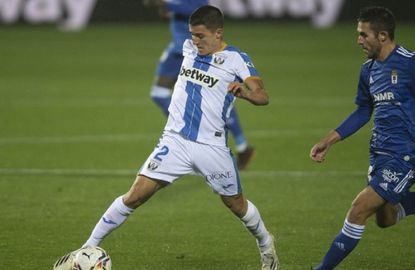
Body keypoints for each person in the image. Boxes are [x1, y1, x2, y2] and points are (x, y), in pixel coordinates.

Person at [53, 5, 279, 270]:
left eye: (200, 36)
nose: (194, 41)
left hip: (212, 147)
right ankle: (86, 250)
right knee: (135, 196)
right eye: (192, 35)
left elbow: (263, 95)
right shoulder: (187, 48)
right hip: (175, 142)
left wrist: (245, 93)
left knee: (236, 204)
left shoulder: (237, 59)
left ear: (218, 33)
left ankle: (266, 245)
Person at [309, 6, 415, 270]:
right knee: (385, 218)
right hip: (380, 153)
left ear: (382, 36)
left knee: (359, 208)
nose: (358, 40)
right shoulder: (368, 70)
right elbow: (364, 110)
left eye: (363, 35)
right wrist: (329, 140)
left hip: (407, 154)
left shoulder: (411, 62)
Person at [146, 0, 256, 170]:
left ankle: (240, 146)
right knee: (158, 94)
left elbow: (196, 9)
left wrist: (166, 3)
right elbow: (167, 12)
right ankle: (190, 133)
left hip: (196, 51)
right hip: (177, 50)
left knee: (214, 99)